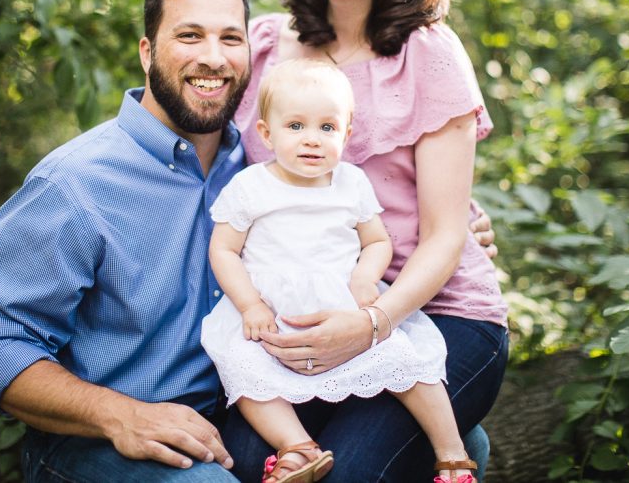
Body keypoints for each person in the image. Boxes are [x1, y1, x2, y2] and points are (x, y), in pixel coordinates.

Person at [0, 0, 498, 482]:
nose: (213, 57)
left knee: (456, 443)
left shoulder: (264, 165)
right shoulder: (75, 184)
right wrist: (121, 415)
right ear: (147, 52)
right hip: (107, 436)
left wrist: (459, 222)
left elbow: (361, 202)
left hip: (248, 406)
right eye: (189, 36)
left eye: (230, 38)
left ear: (250, 52)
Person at [223, 0, 509, 482]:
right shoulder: (264, 47)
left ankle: (446, 427)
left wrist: (371, 325)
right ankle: (457, 437)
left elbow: (443, 233)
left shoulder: (428, 53)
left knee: (352, 471)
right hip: (301, 308)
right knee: (247, 463)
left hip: (438, 311)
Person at [202, 58, 477, 483]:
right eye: (295, 126)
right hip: (273, 315)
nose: (312, 140)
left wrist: (365, 277)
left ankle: (453, 456)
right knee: (242, 370)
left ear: (346, 134)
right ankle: (297, 447)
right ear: (266, 133)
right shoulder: (251, 186)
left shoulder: (350, 183)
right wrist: (249, 303)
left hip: (344, 305)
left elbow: (377, 241)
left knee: (406, 361)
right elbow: (223, 250)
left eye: (327, 128)